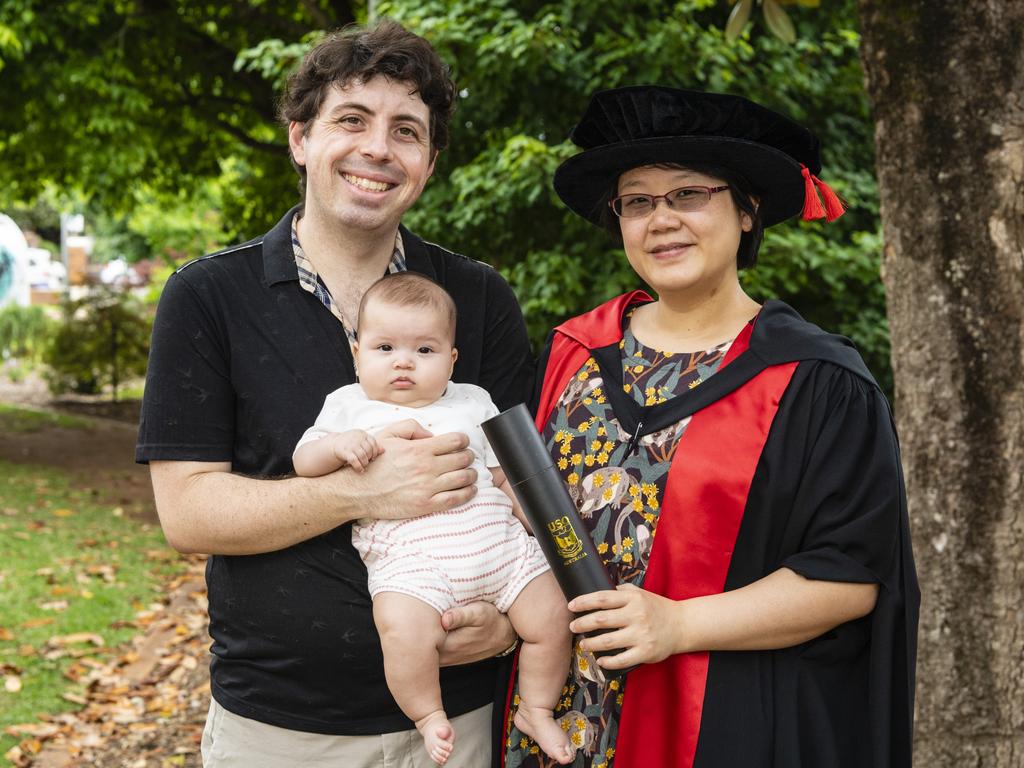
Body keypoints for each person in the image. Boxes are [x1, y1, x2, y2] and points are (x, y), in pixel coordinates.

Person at [136, 20, 534, 768]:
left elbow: (531, 490)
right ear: (299, 139)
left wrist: (514, 622)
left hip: (457, 720)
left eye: (406, 131)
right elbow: (188, 512)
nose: (378, 148)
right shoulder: (208, 296)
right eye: (351, 120)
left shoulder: (478, 300)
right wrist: (362, 493)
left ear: (428, 162)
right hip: (281, 729)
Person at [502, 86, 919, 768]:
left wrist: (678, 622)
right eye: (637, 201)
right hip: (557, 725)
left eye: (690, 194)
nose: (660, 220)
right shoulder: (570, 354)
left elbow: (851, 576)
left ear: (748, 211)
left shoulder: (817, 380)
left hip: (722, 723)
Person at [292, 272, 574, 766]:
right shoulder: (348, 407)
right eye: (384, 348)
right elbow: (304, 461)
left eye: (425, 350)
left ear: (452, 359)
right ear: (357, 354)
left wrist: (542, 529)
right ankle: (427, 714)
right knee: (401, 630)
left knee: (553, 614)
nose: (403, 361)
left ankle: (536, 707)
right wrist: (338, 447)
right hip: (415, 560)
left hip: (500, 549)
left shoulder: (474, 401)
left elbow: (502, 476)